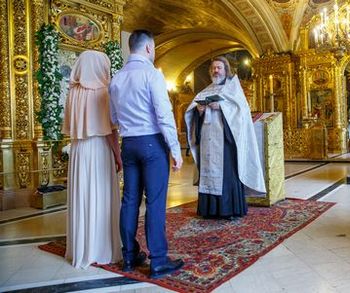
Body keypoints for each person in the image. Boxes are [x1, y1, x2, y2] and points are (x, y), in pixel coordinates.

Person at [109, 29, 184, 278]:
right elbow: (164, 115)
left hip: (128, 143)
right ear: (149, 48)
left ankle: (129, 257)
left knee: (129, 200)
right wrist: (175, 150)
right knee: (155, 202)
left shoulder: (116, 78)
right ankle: (159, 260)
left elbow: (113, 118)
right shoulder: (152, 75)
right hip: (152, 143)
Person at [184, 56, 266, 219]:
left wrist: (221, 106)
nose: (216, 70)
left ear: (226, 70)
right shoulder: (206, 90)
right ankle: (209, 210)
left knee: (227, 174)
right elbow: (192, 114)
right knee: (208, 172)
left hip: (226, 140)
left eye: (219, 68)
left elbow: (242, 112)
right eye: (213, 68)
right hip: (208, 141)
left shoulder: (232, 89)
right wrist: (199, 111)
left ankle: (228, 209)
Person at [62, 50, 122, 269]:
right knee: (101, 195)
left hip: (79, 150)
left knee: (83, 195)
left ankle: (81, 248)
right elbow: (110, 130)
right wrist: (118, 154)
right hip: (99, 149)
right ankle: (102, 248)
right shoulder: (104, 92)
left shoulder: (73, 92)